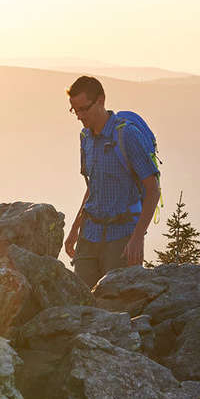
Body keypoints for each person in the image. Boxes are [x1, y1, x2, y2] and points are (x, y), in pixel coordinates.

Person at [63, 75, 161, 288]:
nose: (79, 116)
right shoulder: (85, 138)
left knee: (115, 307)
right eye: (74, 110)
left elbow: (152, 190)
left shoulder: (126, 136)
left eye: (83, 109)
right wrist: (74, 228)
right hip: (89, 235)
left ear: (100, 100)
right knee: (83, 304)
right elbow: (93, 187)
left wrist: (137, 238)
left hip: (121, 238)